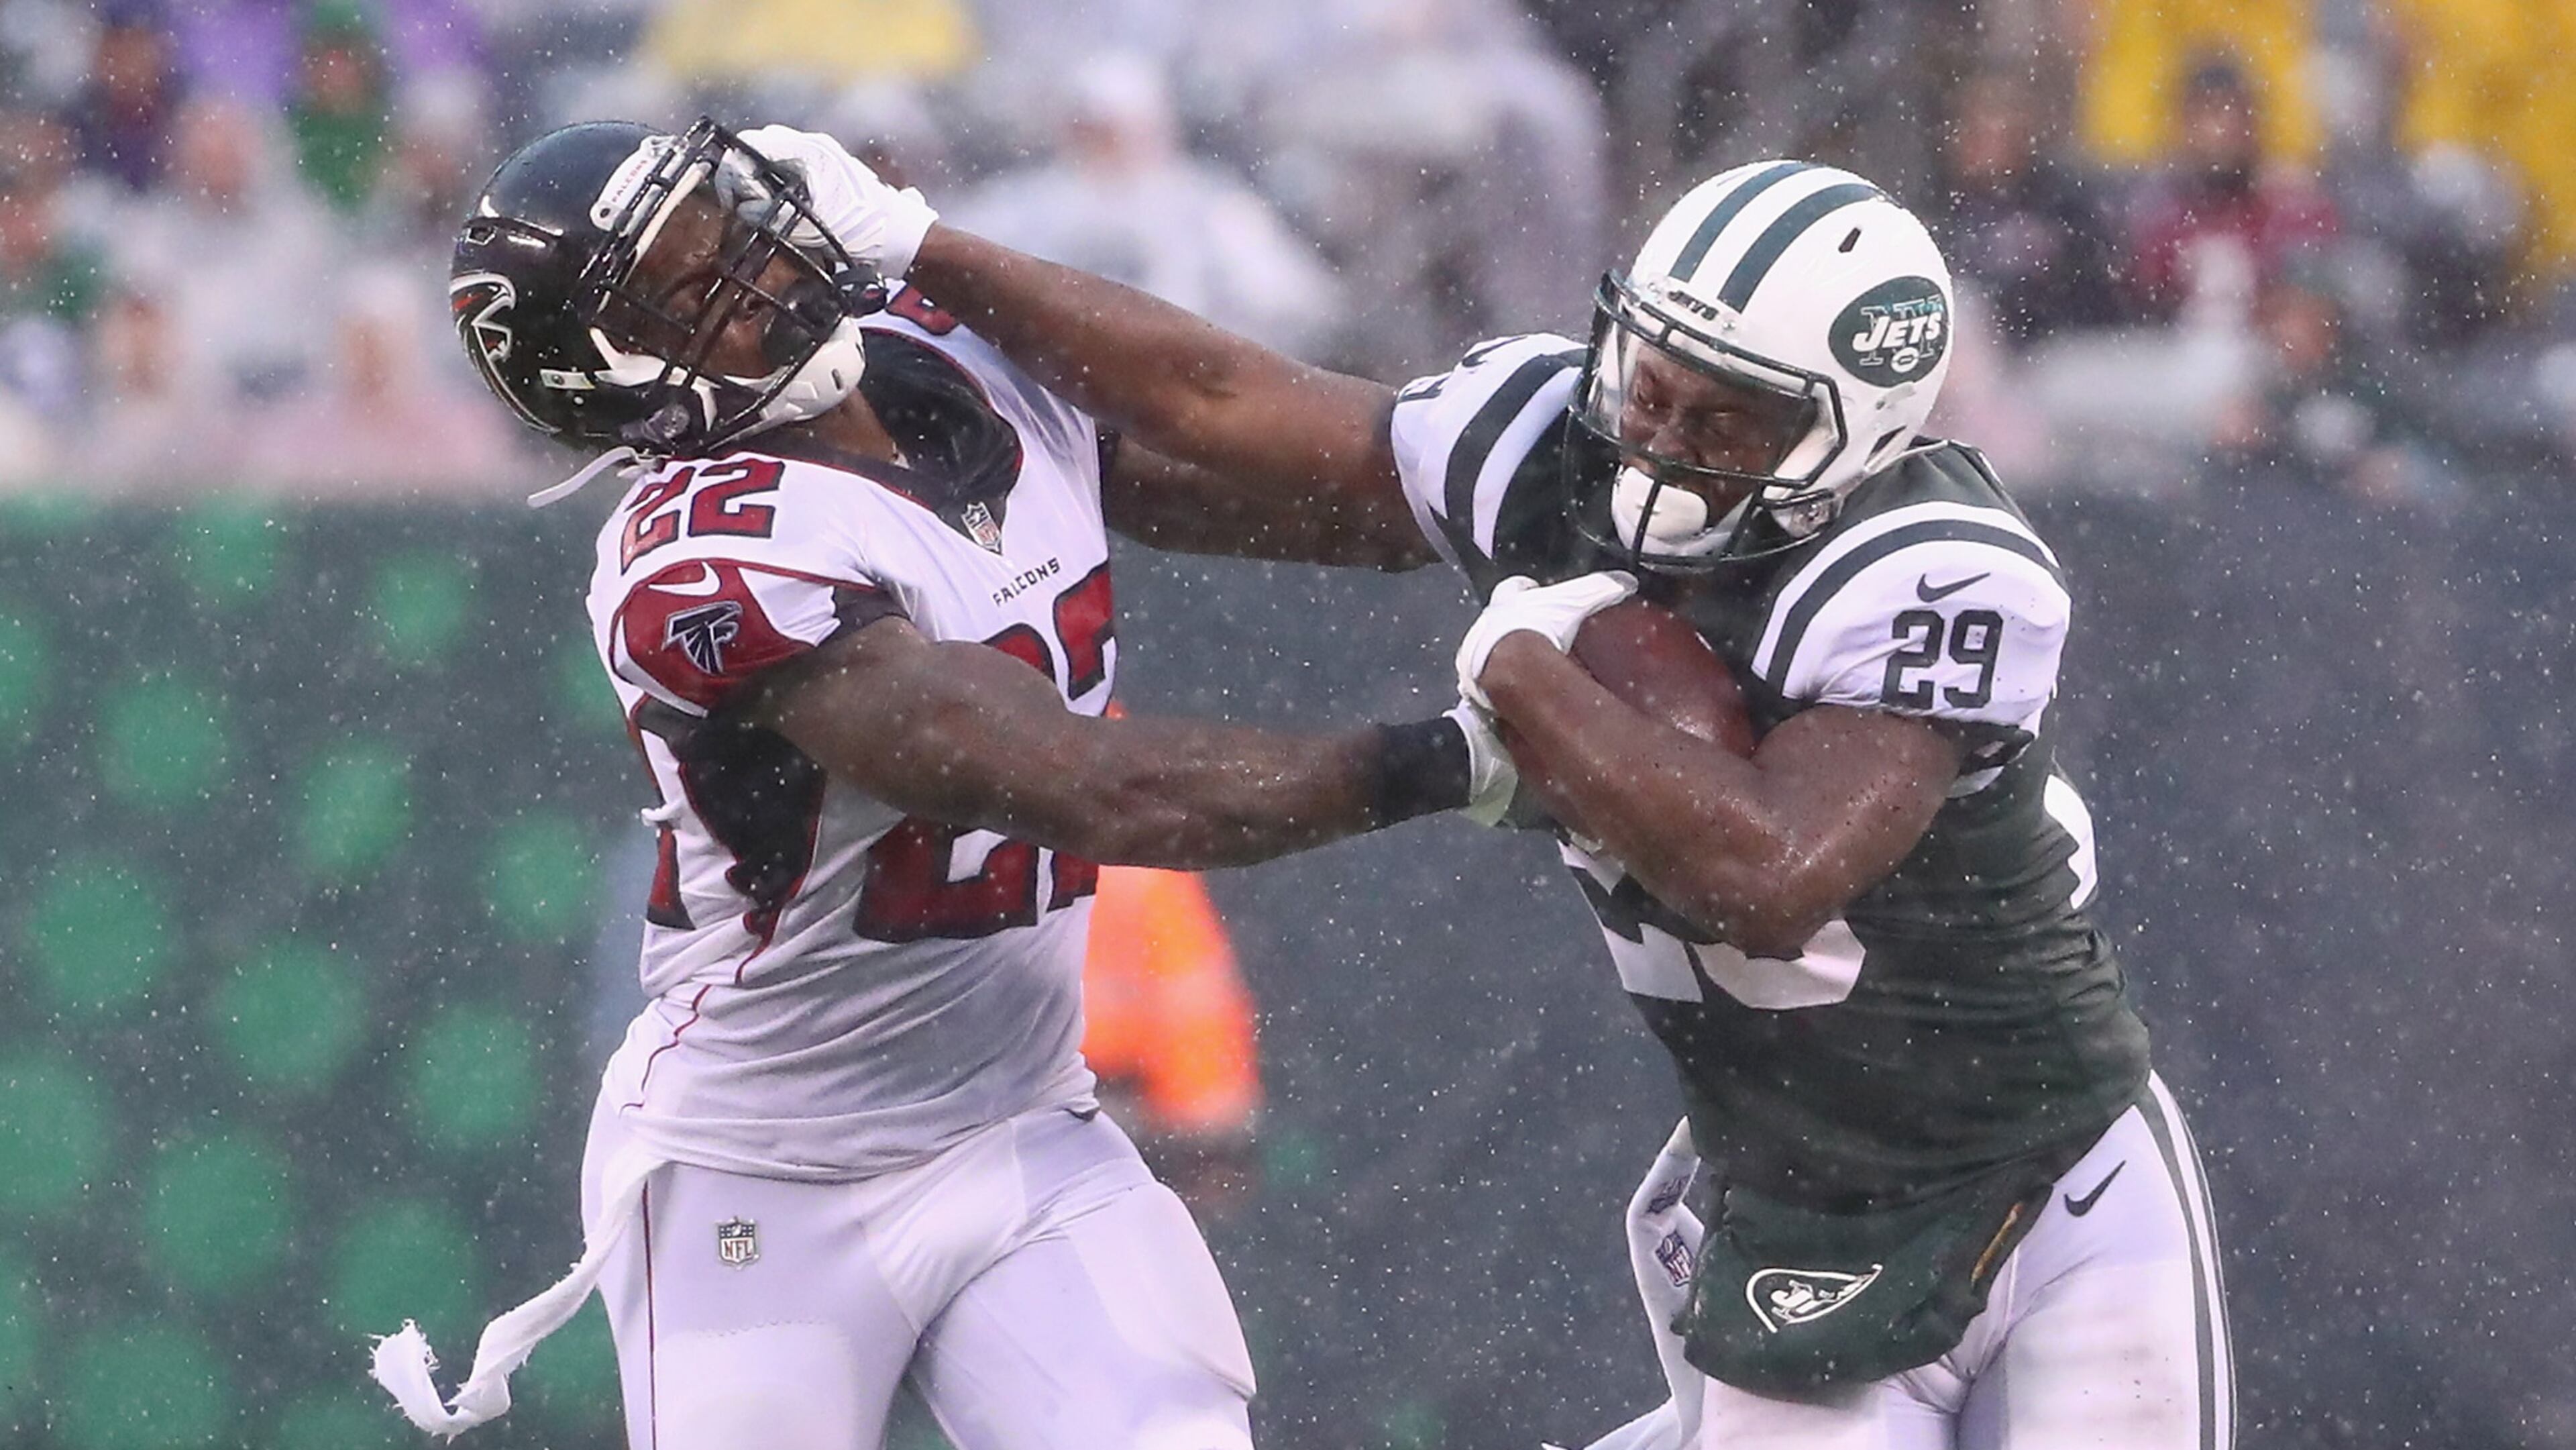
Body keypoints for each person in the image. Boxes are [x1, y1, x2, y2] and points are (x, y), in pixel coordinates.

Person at [771, 133, 2235, 1447]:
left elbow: (1771, 877)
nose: (1657, 434)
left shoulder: (1929, 567)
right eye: (1649, 378)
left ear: (1849, 442)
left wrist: (1525, 670)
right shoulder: (1551, 441)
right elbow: (1219, 403)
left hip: (2045, 1184)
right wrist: (920, 255)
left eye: (1724, 419)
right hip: (1793, 1196)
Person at [367, 118, 1510, 1450]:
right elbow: (1092, 791)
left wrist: (1514, 484)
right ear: (618, 381)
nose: (757, 269)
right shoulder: (699, 558)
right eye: (692, 286)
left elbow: (1303, 483)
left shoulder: (948, 350)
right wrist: (1458, 760)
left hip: (1023, 1125)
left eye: (728, 225)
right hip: (765, 1171)